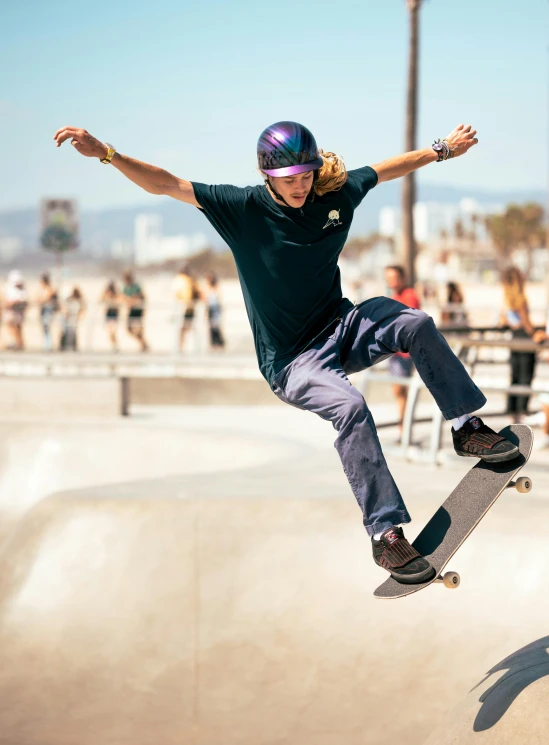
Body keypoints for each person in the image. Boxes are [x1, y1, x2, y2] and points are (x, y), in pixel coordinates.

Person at [54, 120, 520, 586]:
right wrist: (106, 153)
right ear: (267, 177)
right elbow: (166, 183)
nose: (300, 188)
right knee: (351, 407)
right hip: (292, 362)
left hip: (343, 327)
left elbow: (386, 169)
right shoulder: (240, 208)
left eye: (305, 176)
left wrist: (442, 150)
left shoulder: (336, 193)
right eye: (289, 180)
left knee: (414, 323)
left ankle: (466, 428)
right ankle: (385, 536)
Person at [384, 265, 421, 438]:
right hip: (394, 351)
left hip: (404, 352)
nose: (391, 281)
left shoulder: (409, 296)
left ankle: (403, 428)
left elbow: (409, 323)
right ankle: (403, 427)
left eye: (394, 277)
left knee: (401, 390)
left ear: (402, 278)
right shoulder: (394, 296)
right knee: (399, 391)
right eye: (388, 278)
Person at [500, 267, 537, 422]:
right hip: (524, 337)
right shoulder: (520, 299)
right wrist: (537, 333)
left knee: (515, 375)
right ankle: (522, 410)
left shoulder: (506, 299)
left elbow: (503, 322)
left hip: (514, 337)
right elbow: (526, 324)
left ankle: (512, 410)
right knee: (526, 375)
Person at [173, 264, 201, 351]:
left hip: (188, 308)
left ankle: (183, 347)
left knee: (186, 328)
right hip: (188, 307)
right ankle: (183, 347)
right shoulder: (191, 280)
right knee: (186, 328)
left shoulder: (187, 281)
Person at [122, 271, 149, 352]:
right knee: (129, 329)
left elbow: (141, 297)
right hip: (130, 311)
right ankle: (143, 343)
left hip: (138, 310)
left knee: (139, 328)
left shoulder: (137, 287)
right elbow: (123, 297)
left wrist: (132, 300)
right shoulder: (125, 287)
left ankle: (143, 344)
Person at [3, 270, 28, 351]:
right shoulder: (11, 288)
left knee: (17, 328)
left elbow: (22, 300)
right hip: (13, 312)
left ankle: (19, 343)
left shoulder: (20, 289)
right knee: (13, 327)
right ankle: (18, 343)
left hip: (16, 312)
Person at [37, 273, 59, 351]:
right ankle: (46, 345)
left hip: (48, 311)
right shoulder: (45, 290)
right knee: (45, 329)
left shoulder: (50, 289)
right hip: (44, 311)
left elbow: (44, 299)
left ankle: (48, 346)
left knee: (47, 328)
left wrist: (41, 300)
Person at [60, 285, 85, 351]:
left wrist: (79, 317)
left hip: (74, 318)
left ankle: (73, 347)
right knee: (67, 332)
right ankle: (67, 347)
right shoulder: (69, 300)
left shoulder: (79, 300)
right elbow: (64, 308)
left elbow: (82, 309)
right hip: (69, 318)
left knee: (73, 333)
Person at [204, 271, 225, 350]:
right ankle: (213, 343)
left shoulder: (216, 288)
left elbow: (218, 299)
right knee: (211, 327)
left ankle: (219, 343)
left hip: (215, 308)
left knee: (216, 326)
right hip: (211, 308)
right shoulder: (207, 288)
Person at [100, 280, 121, 351]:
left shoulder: (117, 295)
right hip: (108, 314)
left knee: (112, 331)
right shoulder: (106, 294)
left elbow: (119, 303)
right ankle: (115, 345)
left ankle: (115, 345)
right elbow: (100, 300)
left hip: (114, 314)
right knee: (110, 332)